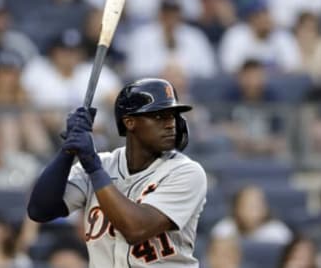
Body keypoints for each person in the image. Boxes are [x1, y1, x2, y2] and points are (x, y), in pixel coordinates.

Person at [28, 78, 208, 267]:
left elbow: (136, 229)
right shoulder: (104, 163)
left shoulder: (186, 172)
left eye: (172, 116)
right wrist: (67, 150)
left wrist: (93, 166)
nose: (171, 124)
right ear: (130, 122)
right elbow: (40, 210)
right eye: (159, 116)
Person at [211, 185, 292, 245]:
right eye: (248, 205)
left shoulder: (279, 233)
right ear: (236, 207)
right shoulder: (224, 230)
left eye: (258, 204)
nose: (253, 210)